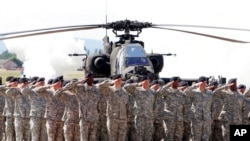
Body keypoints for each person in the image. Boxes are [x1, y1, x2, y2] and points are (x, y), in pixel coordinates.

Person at [123, 76, 155, 141]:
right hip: (140, 117)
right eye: (145, 82)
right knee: (139, 136)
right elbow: (125, 87)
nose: (147, 84)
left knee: (148, 136)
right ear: (142, 82)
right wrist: (137, 84)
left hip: (149, 117)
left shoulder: (152, 92)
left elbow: (154, 103)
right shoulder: (137, 90)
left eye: (148, 82)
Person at [99, 74, 129, 141]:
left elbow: (127, 106)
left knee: (122, 138)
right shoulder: (109, 90)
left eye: (120, 80)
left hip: (123, 119)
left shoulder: (124, 92)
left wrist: (127, 117)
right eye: (118, 80)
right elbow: (99, 86)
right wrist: (111, 82)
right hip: (113, 118)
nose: (120, 81)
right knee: (112, 138)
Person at [184, 76, 213, 141]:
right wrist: (194, 85)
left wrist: (211, 117)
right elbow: (185, 93)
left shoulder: (210, 93)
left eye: (206, 82)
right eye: (203, 82)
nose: (205, 84)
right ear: (199, 83)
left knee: (206, 138)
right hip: (196, 119)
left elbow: (211, 106)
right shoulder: (194, 92)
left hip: (207, 119)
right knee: (196, 137)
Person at [158, 76, 185, 141]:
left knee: (178, 136)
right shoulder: (167, 91)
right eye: (176, 81)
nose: (178, 83)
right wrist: (168, 85)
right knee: (168, 136)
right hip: (169, 118)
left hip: (179, 118)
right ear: (172, 82)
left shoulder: (180, 93)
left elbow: (183, 105)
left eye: (178, 82)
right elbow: (159, 92)